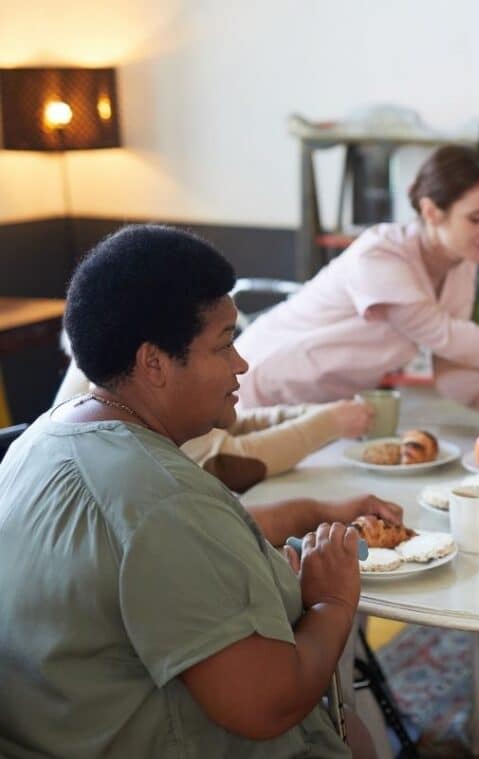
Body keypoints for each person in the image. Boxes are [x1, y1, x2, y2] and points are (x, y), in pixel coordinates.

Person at [0, 224, 405, 758]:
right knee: (354, 735)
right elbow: (267, 704)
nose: (241, 364)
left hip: (51, 726)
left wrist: (315, 511)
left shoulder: (46, 436)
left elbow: (155, 547)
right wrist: (331, 602)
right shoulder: (162, 498)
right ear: (155, 363)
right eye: (225, 345)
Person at [236, 145, 479, 428]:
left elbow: (451, 368)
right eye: (477, 218)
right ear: (431, 211)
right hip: (257, 390)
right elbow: (447, 336)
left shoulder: (460, 263)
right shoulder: (379, 256)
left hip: (318, 408)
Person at [54, 359, 374, 492]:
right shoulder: (137, 377)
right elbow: (228, 463)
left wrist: (310, 414)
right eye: (221, 345)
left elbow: (224, 431)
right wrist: (328, 423)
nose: (240, 362)